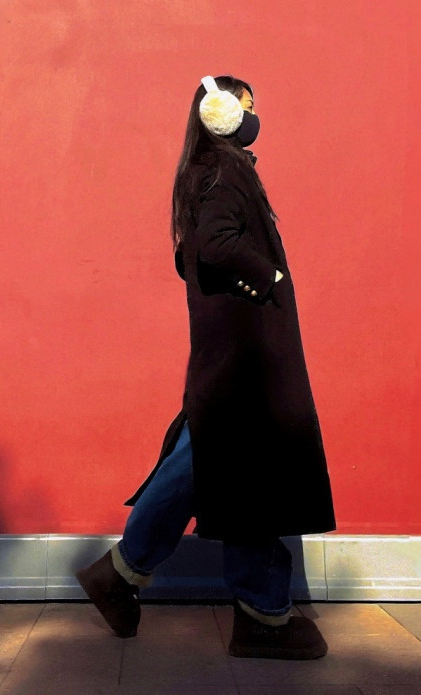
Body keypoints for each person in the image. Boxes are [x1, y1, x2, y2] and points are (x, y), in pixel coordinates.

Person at [76, 75, 336, 660]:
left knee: (216, 463)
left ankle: (124, 575)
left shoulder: (209, 170)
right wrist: (268, 275)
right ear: (219, 113)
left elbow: (189, 254)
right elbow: (216, 244)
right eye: (247, 107)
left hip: (234, 356)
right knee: (234, 467)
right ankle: (259, 613)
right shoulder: (222, 170)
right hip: (243, 358)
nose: (254, 117)